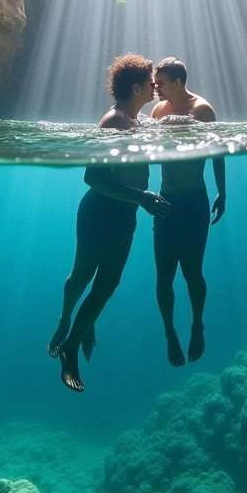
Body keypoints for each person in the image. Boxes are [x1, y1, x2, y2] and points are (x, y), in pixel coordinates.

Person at [48, 53, 170, 392]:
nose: (155, 86)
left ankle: (73, 343)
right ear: (136, 87)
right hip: (99, 213)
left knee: (106, 286)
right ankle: (66, 321)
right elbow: (93, 178)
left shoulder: (137, 120)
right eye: (150, 82)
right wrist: (143, 197)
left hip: (126, 216)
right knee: (83, 276)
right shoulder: (113, 121)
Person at [150, 57, 226, 367]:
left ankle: (197, 325)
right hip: (165, 200)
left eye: (161, 83)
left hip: (194, 201)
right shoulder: (157, 111)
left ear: (178, 83)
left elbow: (219, 151)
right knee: (163, 277)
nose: (155, 89)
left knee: (192, 272)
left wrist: (223, 191)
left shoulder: (202, 110)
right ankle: (169, 332)